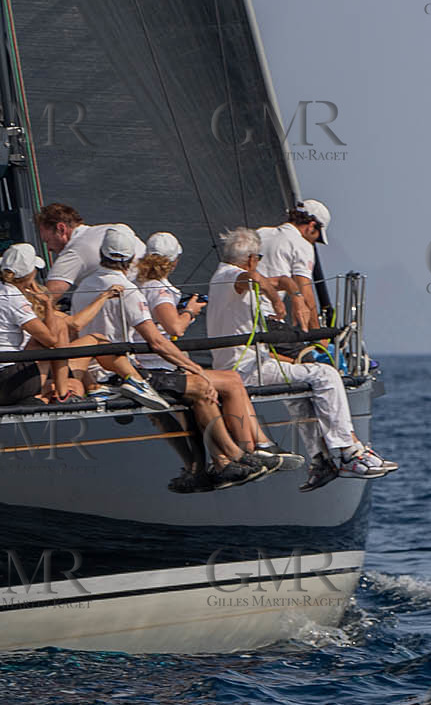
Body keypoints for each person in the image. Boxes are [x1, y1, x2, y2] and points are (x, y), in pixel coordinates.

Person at [74, 229, 270, 488]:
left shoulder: (83, 288)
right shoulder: (127, 290)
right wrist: (195, 367)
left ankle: (207, 465)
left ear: (102, 254)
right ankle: (232, 458)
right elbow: (157, 341)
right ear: (132, 258)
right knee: (201, 387)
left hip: (96, 373)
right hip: (120, 374)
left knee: (190, 394)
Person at [206, 227, 395, 488]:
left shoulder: (222, 278)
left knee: (303, 389)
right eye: (259, 258)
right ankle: (349, 451)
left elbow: (278, 279)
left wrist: (292, 293)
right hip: (246, 370)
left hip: (253, 364)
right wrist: (277, 300)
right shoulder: (233, 276)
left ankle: (320, 459)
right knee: (326, 374)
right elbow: (253, 279)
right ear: (251, 259)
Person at [134, 232, 297, 471]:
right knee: (231, 382)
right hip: (155, 368)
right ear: (175, 261)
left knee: (214, 391)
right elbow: (173, 328)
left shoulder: (138, 285)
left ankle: (235, 454)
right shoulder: (159, 289)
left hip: (153, 366)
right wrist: (189, 311)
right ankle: (252, 448)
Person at [0, 243, 99, 406]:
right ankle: (62, 395)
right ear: (31, 274)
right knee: (58, 326)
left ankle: (42, 397)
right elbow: (51, 340)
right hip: (12, 383)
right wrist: (48, 305)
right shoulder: (15, 298)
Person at [35, 204, 147, 300]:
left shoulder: (75, 251)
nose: (48, 248)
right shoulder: (115, 231)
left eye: (48, 241)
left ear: (61, 229)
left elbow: (46, 297)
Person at [256, 199, 332, 329]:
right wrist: (317, 333)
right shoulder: (302, 245)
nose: (314, 242)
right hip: (268, 318)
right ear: (312, 226)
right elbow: (305, 290)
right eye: (317, 237)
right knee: (295, 349)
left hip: (241, 316)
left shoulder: (260, 233)